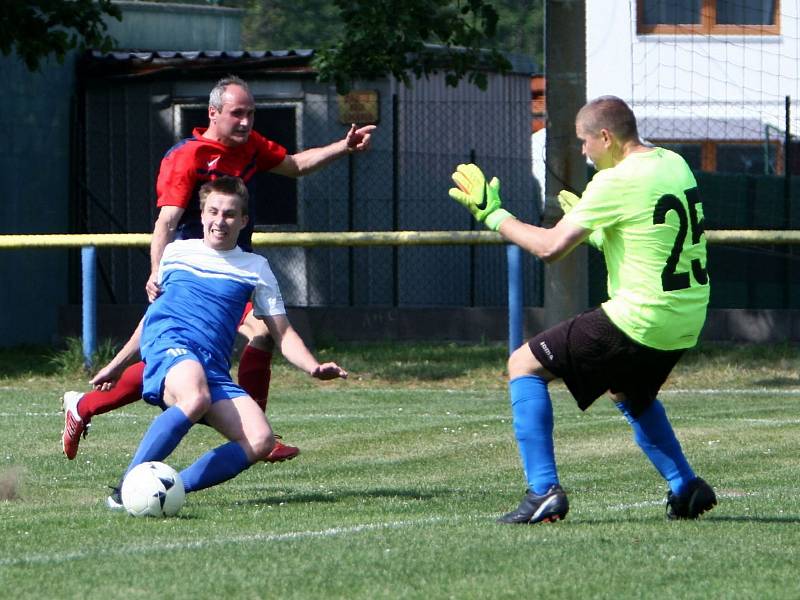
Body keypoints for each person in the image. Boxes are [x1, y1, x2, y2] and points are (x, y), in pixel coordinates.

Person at [62, 75, 375, 461]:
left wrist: (343, 147)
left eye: (251, 114)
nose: (246, 122)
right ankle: (256, 433)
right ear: (213, 113)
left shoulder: (251, 147)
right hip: (194, 275)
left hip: (232, 273)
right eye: (237, 114)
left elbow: (294, 164)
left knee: (179, 360)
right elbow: (167, 222)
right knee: (238, 341)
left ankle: (85, 406)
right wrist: (157, 272)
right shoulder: (187, 156)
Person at [448, 95, 717, 524]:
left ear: (606, 137)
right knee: (629, 391)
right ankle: (685, 486)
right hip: (687, 316)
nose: (583, 151)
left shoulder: (614, 182)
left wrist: (494, 214)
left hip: (640, 318)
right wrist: (598, 235)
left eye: (585, 141)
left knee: (524, 365)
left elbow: (550, 248)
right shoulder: (672, 162)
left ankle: (542, 491)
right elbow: (652, 234)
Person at [105, 176, 347, 507]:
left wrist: (313, 367)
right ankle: (126, 490)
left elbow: (283, 332)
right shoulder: (175, 253)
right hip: (171, 346)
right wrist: (117, 365)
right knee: (195, 396)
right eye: (213, 211)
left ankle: (169, 491)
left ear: (244, 221)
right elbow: (151, 317)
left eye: (230, 214)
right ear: (202, 214)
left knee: (260, 440)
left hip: (213, 367)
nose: (220, 221)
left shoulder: (256, 268)